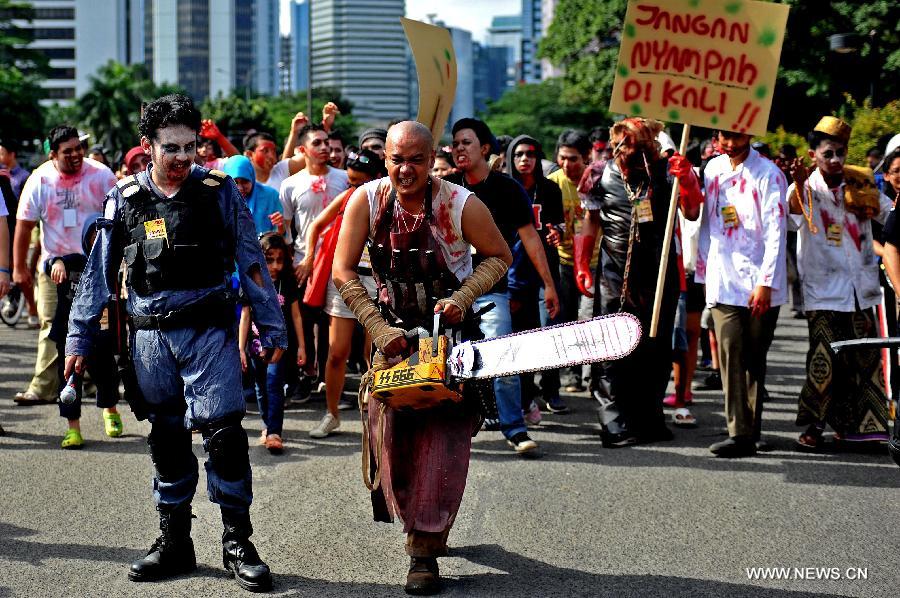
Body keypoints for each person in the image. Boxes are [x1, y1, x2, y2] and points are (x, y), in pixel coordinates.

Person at [65, 94, 286, 591]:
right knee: (166, 437)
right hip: (148, 339)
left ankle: (237, 543)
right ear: (148, 146)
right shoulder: (123, 198)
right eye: (173, 148)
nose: (185, 158)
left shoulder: (221, 191)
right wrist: (77, 338)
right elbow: (98, 277)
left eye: (192, 146)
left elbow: (252, 263)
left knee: (225, 434)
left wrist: (273, 327)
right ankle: (175, 542)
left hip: (209, 329)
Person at [333, 120, 512, 595]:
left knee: (441, 444)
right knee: (396, 444)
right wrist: (376, 325)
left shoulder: (460, 203)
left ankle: (423, 551)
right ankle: (425, 525)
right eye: (397, 159)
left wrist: (464, 296)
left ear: (434, 159)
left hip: (448, 341)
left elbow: (498, 257)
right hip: (390, 338)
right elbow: (342, 269)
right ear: (385, 158)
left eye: (416, 159)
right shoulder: (365, 200)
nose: (406, 169)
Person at [577, 118, 701, 447]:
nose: (625, 149)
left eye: (633, 142)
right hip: (614, 275)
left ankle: (648, 418)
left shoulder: (667, 171)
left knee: (655, 348)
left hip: (659, 276)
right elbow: (590, 223)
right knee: (612, 348)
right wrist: (582, 265)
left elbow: (691, 211)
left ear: (648, 144)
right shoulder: (600, 173)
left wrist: (686, 179)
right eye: (621, 142)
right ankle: (613, 421)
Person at [447, 117, 560, 455]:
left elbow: (531, 239)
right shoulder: (445, 187)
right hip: (451, 293)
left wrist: (549, 286)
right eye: (455, 144)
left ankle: (514, 428)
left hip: (493, 292)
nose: (458, 149)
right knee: (450, 363)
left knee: (503, 359)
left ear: (485, 149)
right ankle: (452, 430)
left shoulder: (508, 188)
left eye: (466, 142)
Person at [789, 116, 892, 451]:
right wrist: (798, 183)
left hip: (860, 288)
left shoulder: (860, 181)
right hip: (822, 289)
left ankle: (863, 429)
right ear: (812, 154)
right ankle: (814, 426)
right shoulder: (803, 185)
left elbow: (890, 217)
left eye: (841, 153)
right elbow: (791, 217)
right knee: (824, 361)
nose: (835, 160)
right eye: (828, 153)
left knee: (864, 360)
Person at [693, 129, 788, 458]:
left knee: (754, 357)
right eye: (724, 137)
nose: (730, 144)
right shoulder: (712, 169)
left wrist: (766, 281)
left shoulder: (770, 174)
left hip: (760, 280)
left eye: (736, 137)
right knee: (731, 353)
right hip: (724, 278)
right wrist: (705, 268)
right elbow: (704, 220)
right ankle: (738, 432)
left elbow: (776, 232)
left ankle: (752, 429)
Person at [12, 125, 115, 406]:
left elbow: (118, 219)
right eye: (67, 151)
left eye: (78, 149)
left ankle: (94, 383)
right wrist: (19, 267)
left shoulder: (101, 175)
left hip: (94, 267)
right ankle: (44, 386)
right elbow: (24, 224)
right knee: (51, 325)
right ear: (53, 154)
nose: (75, 155)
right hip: (53, 266)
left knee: (96, 326)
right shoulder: (40, 179)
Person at [301, 149, 383, 437]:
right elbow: (317, 225)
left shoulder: (390, 199)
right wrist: (310, 256)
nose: (353, 188)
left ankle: (378, 416)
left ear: (377, 178)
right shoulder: (348, 198)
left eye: (359, 183)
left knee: (376, 354)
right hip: (344, 281)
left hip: (378, 282)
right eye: (349, 182)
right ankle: (332, 414)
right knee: (337, 352)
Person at [283, 124, 350, 391]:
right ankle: (304, 377)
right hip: (305, 262)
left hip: (339, 262)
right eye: (317, 143)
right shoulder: (290, 185)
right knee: (304, 319)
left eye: (326, 142)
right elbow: (287, 228)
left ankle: (329, 379)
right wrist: (299, 261)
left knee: (332, 322)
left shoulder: (345, 178)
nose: (324, 148)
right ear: (302, 150)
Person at [505, 134, 567, 418]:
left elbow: (562, 225)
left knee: (550, 331)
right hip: (516, 273)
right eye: (518, 154)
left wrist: (558, 233)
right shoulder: (506, 189)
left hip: (547, 273)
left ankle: (551, 390)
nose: (524, 159)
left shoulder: (550, 189)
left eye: (530, 154)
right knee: (523, 336)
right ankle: (526, 396)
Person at [48, 215, 123, 448]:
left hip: (101, 337)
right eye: (93, 237)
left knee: (107, 377)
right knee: (70, 381)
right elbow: (50, 262)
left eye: (102, 237)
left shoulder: (111, 268)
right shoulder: (74, 262)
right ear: (85, 239)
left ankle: (110, 411)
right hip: (68, 337)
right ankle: (73, 429)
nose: (97, 241)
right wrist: (57, 264)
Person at [239, 232, 306, 454]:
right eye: (269, 259)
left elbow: (296, 315)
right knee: (260, 386)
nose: (275, 265)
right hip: (255, 346)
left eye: (280, 260)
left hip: (279, 345)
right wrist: (240, 348)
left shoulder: (287, 283)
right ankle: (268, 425)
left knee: (273, 383)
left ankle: (275, 431)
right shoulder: (251, 282)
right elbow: (245, 316)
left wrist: (303, 346)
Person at [548, 129, 595, 392]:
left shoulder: (597, 181)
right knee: (565, 319)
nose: (567, 165)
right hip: (563, 262)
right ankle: (570, 374)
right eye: (563, 158)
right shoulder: (552, 183)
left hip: (595, 262)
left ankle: (591, 375)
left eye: (574, 159)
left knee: (588, 319)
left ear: (586, 157)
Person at [223, 155, 285, 236]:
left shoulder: (271, 196)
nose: (240, 188)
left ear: (252, 178)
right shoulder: (220, 200)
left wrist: (280, 226)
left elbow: (280, 234)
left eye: (245, 181)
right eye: (234, 182)